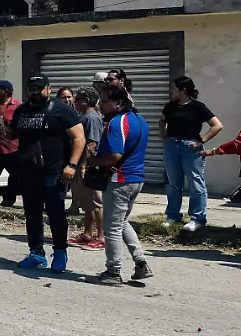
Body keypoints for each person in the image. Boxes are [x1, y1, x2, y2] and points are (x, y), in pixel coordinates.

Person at [9, 74, 85, 272]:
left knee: (56, 214)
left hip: (54, 171)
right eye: (32, 88)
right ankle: (36, 253)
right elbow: (15, 134)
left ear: (49, 89)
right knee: (32, 214)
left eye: (39, 88)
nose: (35, 92)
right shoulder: (22, 111)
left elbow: (79, 138)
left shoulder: (62, 110)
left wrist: (72, 165)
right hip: (29, 172)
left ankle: (60, 252)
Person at [85, 86, 153, 285]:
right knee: (121, 222)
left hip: (120, 181)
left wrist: (89, 162)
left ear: (118, 104)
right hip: (136, 179)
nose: (100, 105)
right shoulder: (139, 120)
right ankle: (141, 262)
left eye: (104, 101)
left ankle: (113, 272)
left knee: (111, 227)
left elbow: (115, 155)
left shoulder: (116, 123)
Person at [160, 76, 222, 232]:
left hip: (190, 147)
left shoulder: (197, 107)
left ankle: (197, 218)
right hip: (172, 146)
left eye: (174, 88)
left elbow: (217, 125)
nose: (171, 91)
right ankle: (173, 215)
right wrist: (165, 139)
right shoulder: (170, 106)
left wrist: (202, 141)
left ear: (183, 90)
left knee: (195, 182)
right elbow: (162, 121)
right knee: (173, 183)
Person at [68, 87, 105, 249]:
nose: (74, 103)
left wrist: (84, 164)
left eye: (77, 100)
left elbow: (92, 144)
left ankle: (102, 236)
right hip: (78, 165)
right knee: (86, 203)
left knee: (95, 203)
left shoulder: (91, 118)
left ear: (85, 101)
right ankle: (88, 233)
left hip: (89, 166)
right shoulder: (83, 116)